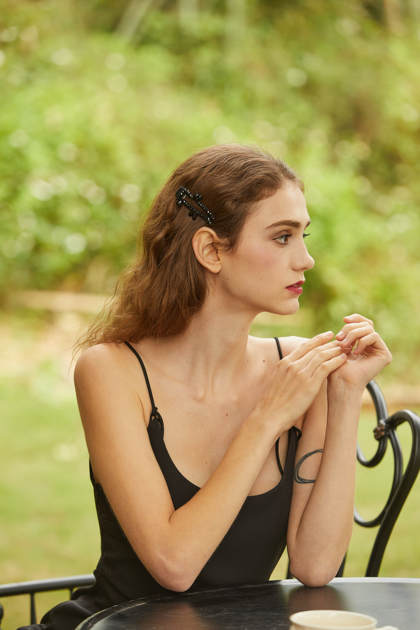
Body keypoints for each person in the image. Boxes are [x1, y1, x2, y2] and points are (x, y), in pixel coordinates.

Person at [22, 144, 391, 629]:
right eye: (282, 237)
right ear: (211, 251)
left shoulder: (299, 370)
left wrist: (343, 397)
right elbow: (174, 565)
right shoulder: (113, 371)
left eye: (303, 236)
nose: (306, 259)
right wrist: (266, 419)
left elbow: (315, 565)